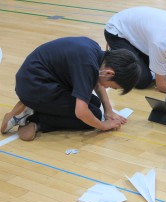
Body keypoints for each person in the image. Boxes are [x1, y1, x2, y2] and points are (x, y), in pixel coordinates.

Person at [1, 36, 141, 141]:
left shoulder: (94, 52)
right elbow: (81, 112)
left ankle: (31, 108)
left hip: (37, 82)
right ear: (109, 73)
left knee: (95, 103)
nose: (106, 87)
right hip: (34, 88)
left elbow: (98, 83)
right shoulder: (88, 66)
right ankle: (34, 119)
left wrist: (108, 110)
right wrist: (104, 125)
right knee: (93, 116)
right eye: (111, 86)